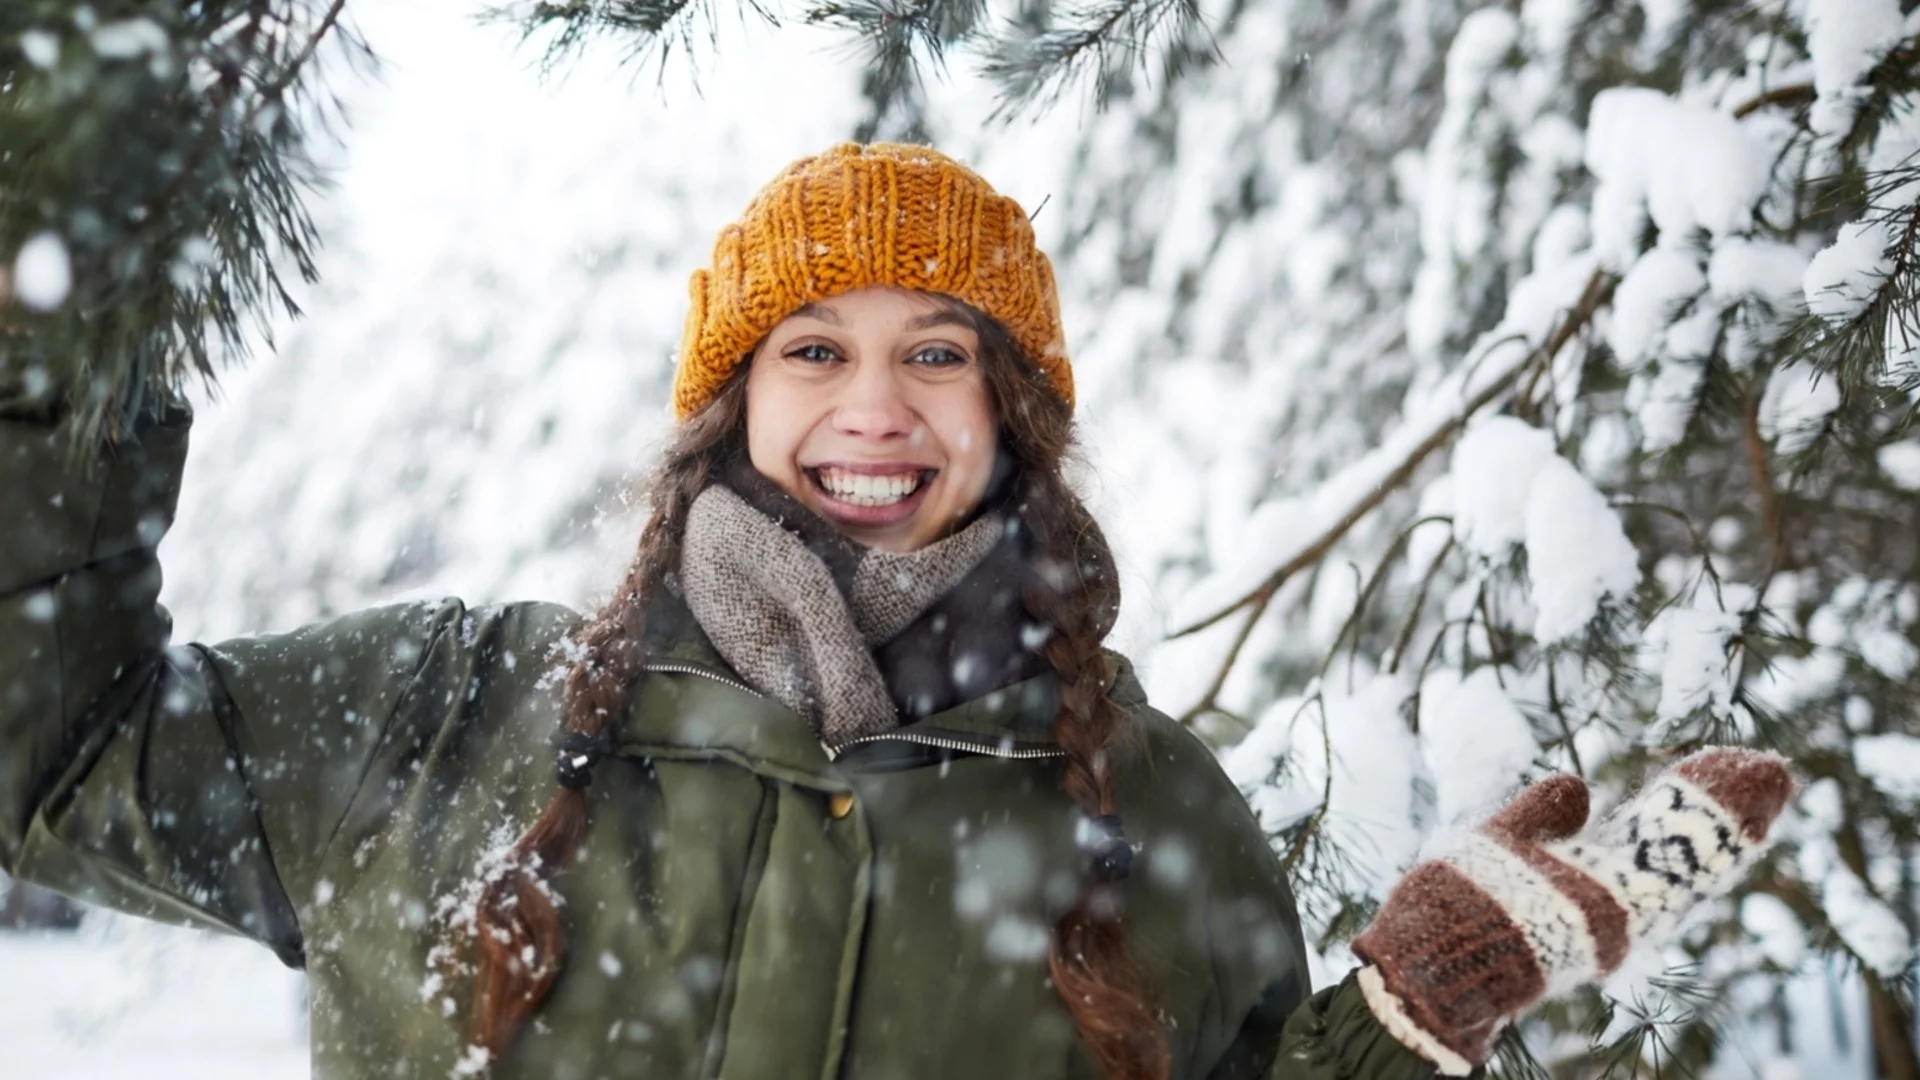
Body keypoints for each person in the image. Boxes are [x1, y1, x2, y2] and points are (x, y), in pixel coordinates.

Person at [0, 142, 1791, 1079]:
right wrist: (54, 345)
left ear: (1011, 415)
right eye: (816, 349)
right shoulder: (446, 711)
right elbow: (56, 762)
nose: (877, 407)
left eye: (940, 352)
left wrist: (1403, 1029)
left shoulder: (1150, 820)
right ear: (735, 400)